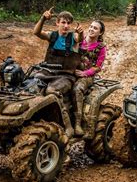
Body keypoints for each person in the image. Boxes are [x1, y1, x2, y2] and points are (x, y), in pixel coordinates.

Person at [33, 9, 83, 137]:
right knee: (32, 85)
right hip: (48, 72)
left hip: (65, 75)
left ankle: (68, 126)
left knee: (51, 91)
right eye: (63, 22)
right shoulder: (53, 36)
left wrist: (80, 33)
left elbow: (79, 39)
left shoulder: (73, 37)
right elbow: (36, 32)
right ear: (57, 23)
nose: (66, 26)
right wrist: (43, 18)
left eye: (68, 23)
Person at [72, 20, 107, 136]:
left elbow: (97, 67)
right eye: (91, 27)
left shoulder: (101, 47)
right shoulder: (80, 40)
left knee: (78, 89)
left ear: (100, 33)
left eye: (95, 28)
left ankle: (78, 123)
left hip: (87, 76)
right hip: (72, 70)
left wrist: (84, 73)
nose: (91, 29)